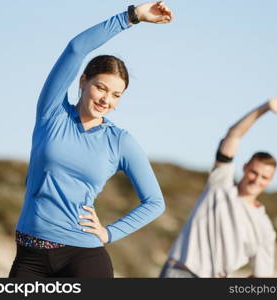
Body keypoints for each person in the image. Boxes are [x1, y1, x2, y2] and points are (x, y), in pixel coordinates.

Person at [9, 1, 173, 278]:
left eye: (116, 95)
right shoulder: (53, 114)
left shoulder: (120, 141)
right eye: (101, 87)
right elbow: (76, 49)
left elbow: (155, 202)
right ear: (83, 81)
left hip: (83, 255)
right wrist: (131, 17)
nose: (106, 99)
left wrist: (109, 233)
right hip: (30, 255)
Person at [160, 97, 277, 278]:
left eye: (264, 177)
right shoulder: (221, 185)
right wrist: (265, 108)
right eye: (254, 172)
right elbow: (234, 135)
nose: (257, 180)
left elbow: (262, 275)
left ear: (270, 182)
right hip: (181, 271)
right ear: (244, 168)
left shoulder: (264, 228)